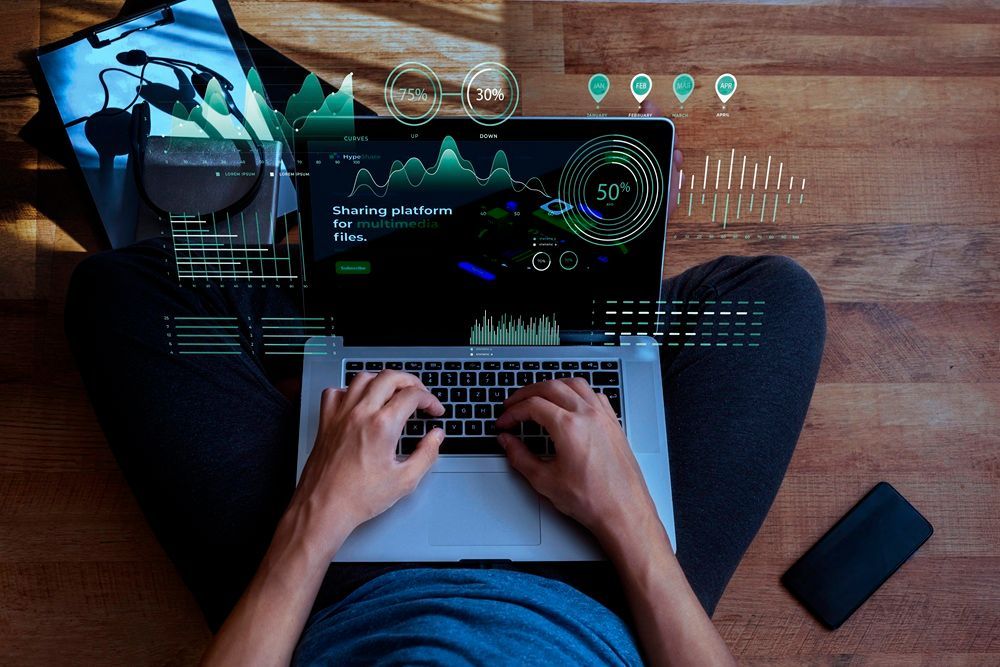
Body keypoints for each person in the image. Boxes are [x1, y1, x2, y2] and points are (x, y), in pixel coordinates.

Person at [65, 146, 826, 665]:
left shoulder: (317, 542)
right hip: (606, 592)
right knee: (775, 302)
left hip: (330, 591)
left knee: (120, 296)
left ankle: (417, 275)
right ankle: (526, 281)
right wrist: (631, 520)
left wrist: (313, 520)